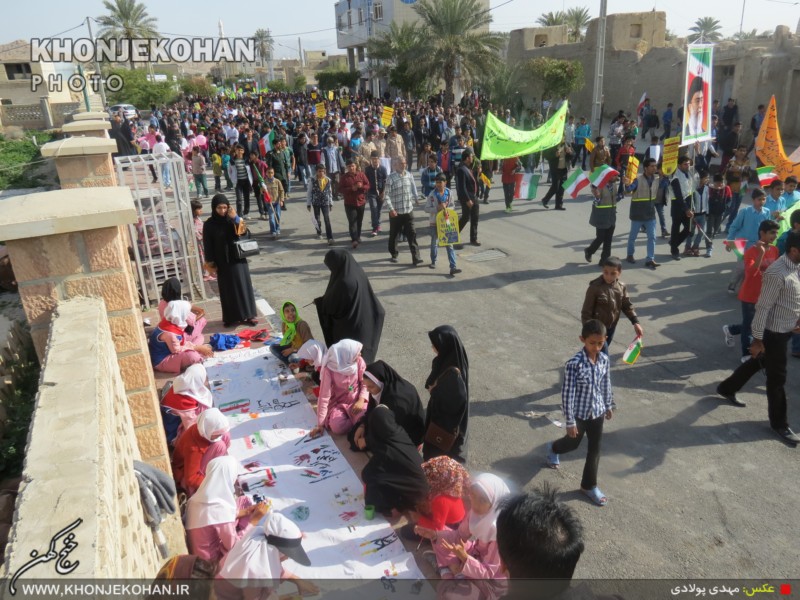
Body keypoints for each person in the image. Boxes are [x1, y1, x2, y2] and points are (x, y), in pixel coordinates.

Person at [717, 232, 800, 446]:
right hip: (773, 333)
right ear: (793, 250)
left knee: (761, 362)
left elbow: (793, 299)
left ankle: (727, 388)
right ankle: (779, 423)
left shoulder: (796, 267)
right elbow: (762, 308)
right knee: (777, 378)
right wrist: (757, 340)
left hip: (786, 328)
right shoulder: (776, 273)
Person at [546, 319, 614, 507]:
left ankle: (588, 486)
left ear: (605, 340)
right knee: (573, 444)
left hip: (597, 412)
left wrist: (609, 404)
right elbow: (567, 394)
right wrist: (570, 422)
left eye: (600, 343)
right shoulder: (574, 364)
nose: (596, 347)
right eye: (592, 343)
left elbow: (605, 384)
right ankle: (554, 448)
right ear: (582, 339)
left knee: (595, 450)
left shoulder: (604, 360)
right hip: (579, 414)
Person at [415, 473, 509, 588]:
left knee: (451, 595)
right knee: (440, 535)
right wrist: (435, 535)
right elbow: (459, 535)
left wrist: (464, 558)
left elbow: (489, 573)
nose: (475, 503)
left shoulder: (499, 535)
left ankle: (446, 570)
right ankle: (452, 572)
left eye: (482, 500)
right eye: (473, 495)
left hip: (488, 577)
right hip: (474, 553)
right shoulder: (476, 513)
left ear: (495, 502)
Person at [185, 456, 269, 566]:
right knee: (251, 548)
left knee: (243, 501)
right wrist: (253, 521)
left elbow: (214, 517)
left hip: (199, 549)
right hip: (209, 564)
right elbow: (235, 547)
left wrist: (246, 511)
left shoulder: (198, 498)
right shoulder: (220, 511)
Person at [215, 511, 317, 600]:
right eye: (287, 554)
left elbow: (274, 567)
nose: (287, 558)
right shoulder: (254, 573)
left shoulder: (258, 545)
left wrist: (297, 580)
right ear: (274, 550)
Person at [722, 220, 780, 362]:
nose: (774, 236)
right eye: (772, 233)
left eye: (776, 233)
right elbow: (751, 272)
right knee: (749, 326)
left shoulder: (775, 250)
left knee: (759, 324)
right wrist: (761, 254)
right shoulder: (751, 252)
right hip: (750, 295)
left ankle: (731, 329)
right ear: (762, 233)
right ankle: (746, 354)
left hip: (767, 295)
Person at [314, 248, 385, 363]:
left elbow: (331, 307)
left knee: (352, 364)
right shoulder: (356, 271)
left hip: (351, 331)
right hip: (365, 323)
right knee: (362, 362)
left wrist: (320, 303)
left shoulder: (344, 282)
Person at [361, 405, 430, 518]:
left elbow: (367, 474)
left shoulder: (386, 450)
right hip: (428, 487)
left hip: (419, 499)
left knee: (372, 487)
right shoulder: (400, 434)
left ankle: (397, 507)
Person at [203, 195, 258, 328]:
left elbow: (246, 233)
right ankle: (231, 317)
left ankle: (249, 314)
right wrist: (211, 263)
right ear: (213, 208)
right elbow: (208, 245)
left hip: (238, 259)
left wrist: (236, 218)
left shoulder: (233, 220)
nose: (222, 211)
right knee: (227, 290)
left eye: (224, 207)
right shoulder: (209, 224)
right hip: (222, 262)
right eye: (219, 208)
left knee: (243, 287)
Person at [350, 360, 426, 450]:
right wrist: (363, 425)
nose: (367, 390)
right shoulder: (380, 388)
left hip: (406, 434)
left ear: (381, 383)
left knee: (382, 451)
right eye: (366, 386)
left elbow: (391, 430)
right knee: (354, 435)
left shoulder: (398, 400)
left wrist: (367, 441)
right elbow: (371, 410)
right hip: (388, 425)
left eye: (370, 387)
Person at [423, 325, 470, 463]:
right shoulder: (451, 358)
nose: (433, 348)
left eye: (435, 345)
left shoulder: (454, 376)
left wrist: (435, 392)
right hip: (440, 421)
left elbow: (454, 405)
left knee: (437, 458)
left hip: (444, 427)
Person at [580, 257, 643, 353]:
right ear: (602, 270)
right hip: (597, 330)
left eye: (613, 273)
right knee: (603, 354)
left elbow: (627, 306)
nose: (608, 276)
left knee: (597, 353)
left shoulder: (621, 287)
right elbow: (586, 312)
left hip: (611, 328)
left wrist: (635, 322)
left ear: (619, 272)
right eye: (606, 272)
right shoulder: (595, 287)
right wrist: (589, 332)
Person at [310, 339, 369, 437]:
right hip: (338, 403)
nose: (359, 355)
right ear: (344, 355)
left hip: (356, 401)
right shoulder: (329, 369)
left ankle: (356, 420)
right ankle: (355, 421)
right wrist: (320, 424)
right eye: (357, 353)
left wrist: (361, 400)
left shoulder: (359, 362)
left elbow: (365, 383)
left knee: (366, 417)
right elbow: (324, 397)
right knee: (337, 427)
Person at [171, 408, 231, 497]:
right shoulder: (194, 449)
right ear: (208, 430)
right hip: (183, 474)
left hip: (191, 466)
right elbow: (191, 479)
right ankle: (195, 491)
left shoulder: (201, 429)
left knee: (225, 436)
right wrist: (212, 485)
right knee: (220, 446)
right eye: (217, 433)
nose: (219, 436)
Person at [725, 188, 772, 294]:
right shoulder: (745, 212)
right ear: (753, 200)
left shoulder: (767, 212)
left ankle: (744, 287)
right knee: (741, 267)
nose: (761, 202)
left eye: (764, 199)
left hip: (758, 245)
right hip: (743, 245)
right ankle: (733, 283)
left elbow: (767, 229)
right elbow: (734, 227)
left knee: (752, 268)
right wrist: (730, 241)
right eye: (759, 199)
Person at [149, 300, 213, 374]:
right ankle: (197, 354)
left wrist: (196, 347)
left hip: (174, 348)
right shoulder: (170, 334)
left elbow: (180, 342)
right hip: (162, 360)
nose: (188, 315)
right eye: (186, 313)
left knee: (200, 337)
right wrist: (198, 347)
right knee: (193, 356)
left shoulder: (169, 320)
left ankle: (198, 351)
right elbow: (177, 350)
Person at [412, 456, 468, 535]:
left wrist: (419, 519)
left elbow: (437, 529)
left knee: (406, 531)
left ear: (439, 480)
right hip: (453, 517)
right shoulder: (452, 487)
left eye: (432, 477)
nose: (427, 478)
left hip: (451, 527)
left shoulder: (440, 501)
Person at [160, 363, 213, 445]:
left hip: (179, 417)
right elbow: (190, 427)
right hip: (173, 431)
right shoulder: (185, 403)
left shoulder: (181, 382)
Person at [385, 156, 423, 265]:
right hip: (396, 212)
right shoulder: (390, 178)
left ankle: (416, 257)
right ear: (395, 165)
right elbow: (386, 195)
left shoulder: (409, 175)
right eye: (401, 163)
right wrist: (391, 209)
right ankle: (394, 253)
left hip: (408, 211)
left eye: (404, 163)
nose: (403, 165)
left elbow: (413, 188)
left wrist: (416, 198)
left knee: (412, 234)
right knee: (394, 235)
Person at [623, 157, 660, 268]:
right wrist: (626, 184)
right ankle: (630, 254)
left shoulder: (657, 178)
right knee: (633, 237)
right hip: (637, 214)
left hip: (650, 214)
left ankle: (650, 259)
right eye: (652, 166)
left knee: (652, 237)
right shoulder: (637, 180)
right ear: (645, 168)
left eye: (655, 166)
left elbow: (664, 185)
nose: (655, 168)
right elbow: (629, 189)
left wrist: (666, 175)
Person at [426, 173, 461, 276]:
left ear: (445, 182)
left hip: (447, 222)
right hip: (434, 222)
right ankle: (433, 260)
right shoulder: (432, 194)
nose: (438, 184)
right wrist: (437, 208)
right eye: (436, 182)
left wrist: (447, 209)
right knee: (434, 242)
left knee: (449, 244)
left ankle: (453, 267)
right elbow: (426, 209)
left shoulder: (449, 193)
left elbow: (453, 206)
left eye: (440, 182)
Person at [583, 170, 619, 265]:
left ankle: (604, 260)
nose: (616, 178)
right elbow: (596, 202)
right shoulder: (599, 186)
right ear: (609, 176)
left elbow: (615, 198)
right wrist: (598, 197)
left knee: (608, 239)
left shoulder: (614, 185)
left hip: (611, 216)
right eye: (614, 176)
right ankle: (589, 251)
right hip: (601, 217)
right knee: (600, 238)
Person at [158, 278, 207, 345]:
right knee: (201, 325)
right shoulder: (179, 305)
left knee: (199, 337)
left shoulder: (161, 303)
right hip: (179, 334)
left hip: (168, 331)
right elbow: (192, 321)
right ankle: (191, 345)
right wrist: (201, 312)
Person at [270, 301, 314, 366]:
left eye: (293, 310)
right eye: (287, 311)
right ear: (283, 314)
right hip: (293, 347)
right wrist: (287, 348)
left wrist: (293, 350)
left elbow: (310, 345)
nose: (291, 313)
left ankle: (295, 364)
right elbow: (289, 341)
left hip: (304, 351)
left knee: (293, 358)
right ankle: (293, 364)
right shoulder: (285, 324)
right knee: (273, 347)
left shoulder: (302, 324)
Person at [339, 159, 370, 248]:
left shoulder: (361, 175)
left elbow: (368, 185)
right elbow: (340, 189)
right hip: (349, 203)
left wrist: (361, 187)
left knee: (359, 221)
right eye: (349, 166)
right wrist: (350, 189)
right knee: (352, 221)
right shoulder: (344, 177)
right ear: (347, 168)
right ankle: (354, 239)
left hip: (361, 201)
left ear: (355, 166)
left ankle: (358, 236)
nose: (351, 168)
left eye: (352, 166)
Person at [668, 155, 695, 260]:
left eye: (688, 163)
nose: (688, 166)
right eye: (685, 164)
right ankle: (674, 250)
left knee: (689, 229)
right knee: (676, 227)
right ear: (679, 165)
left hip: (688, 203)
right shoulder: (675, 176)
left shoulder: (689, 173)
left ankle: (674, 243)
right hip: (677, 205)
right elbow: (678, 195)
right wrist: (686, 209)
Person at [456, 148, 481, 246]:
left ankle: (473, 239)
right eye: (471, 156)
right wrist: (467, 200)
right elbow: (462, 187)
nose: (472, 158)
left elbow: (472, 180)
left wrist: (477, 172)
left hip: (474, 197)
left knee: (475, 218)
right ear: (467, 158)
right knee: (465, 218)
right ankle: (453, 236)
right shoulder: (461, 169)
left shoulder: (468, 167)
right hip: (467, 199)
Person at [306, 163, 335, 244]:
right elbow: (309, 192)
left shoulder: (328, 180)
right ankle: (319, 231)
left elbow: (330, 192)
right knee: (317, 219)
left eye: (323, 171)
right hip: (316, 202)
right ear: (316, 172)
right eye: (319, 171)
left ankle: (330, 237)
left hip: (325, 202)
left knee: (327, 219)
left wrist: (331, 203)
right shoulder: (312, 180)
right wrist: (308, 204)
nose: (321, 173)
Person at [365, 150, 388, 237]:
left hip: (381, 192)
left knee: (378, 210)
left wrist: (383, 192)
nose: (375, 160)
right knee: (373, 208)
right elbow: (366, 181)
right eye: (373, 159)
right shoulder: (368, 169)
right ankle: (374, 228)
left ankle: (377, 224)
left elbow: (386, 181)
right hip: (372, 192)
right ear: (371, 159)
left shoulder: (383, 169)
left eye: (376, 159)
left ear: (379, 159)